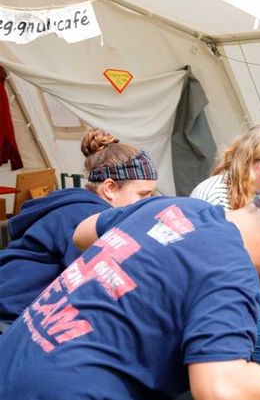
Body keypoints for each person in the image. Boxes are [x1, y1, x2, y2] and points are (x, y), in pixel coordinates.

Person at [0, 178, 260, 400]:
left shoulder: (175, 206)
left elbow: (83, 233)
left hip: (15, 361)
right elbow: (220, 388)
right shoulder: (232, 270)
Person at [0, 128, 157, 333]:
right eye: (143, 195)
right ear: (109, 188)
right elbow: (99, 284)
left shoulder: (72, 203)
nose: (149, 202)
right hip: (11, 317)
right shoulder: (87, 218)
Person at [191, 124, 260, 370]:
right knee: (236, 359)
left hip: (245, 284)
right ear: (249, 161)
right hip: (213, 289)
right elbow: (217, 253)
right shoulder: (214, 193)